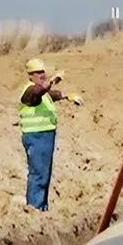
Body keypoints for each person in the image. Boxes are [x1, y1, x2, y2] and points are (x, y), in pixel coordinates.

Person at [19, 58, 82, 211]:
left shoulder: (43, 93)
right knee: (38, 174)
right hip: (36, 137)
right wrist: (53, 79)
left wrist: (67, 96)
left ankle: (42, 207)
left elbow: (51, 94)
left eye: (43, 72)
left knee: (44, 174)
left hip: (45, 136)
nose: (41, 75)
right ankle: (35, 208)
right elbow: (39, 91)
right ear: (30, 75)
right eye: (38, 72)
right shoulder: (30, 91)